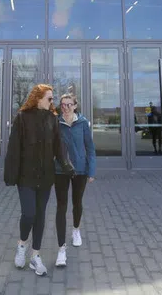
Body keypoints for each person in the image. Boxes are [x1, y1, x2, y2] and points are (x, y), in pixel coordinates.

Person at [4, 84, 74, 277]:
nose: (53, 102)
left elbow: (59, 147)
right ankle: (21, 244)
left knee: (40, 215)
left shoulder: (53, 120)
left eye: (53, 99)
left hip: (45, 177)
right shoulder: (22, 118)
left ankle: (35, 255)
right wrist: (10, 174)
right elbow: (13, 149)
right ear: (38, 98)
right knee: (29, 213)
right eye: (50, 98)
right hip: (25, 177)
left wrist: (67, 165)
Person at [53, 94, 96, 268]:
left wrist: (91, 171)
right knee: (61, 206)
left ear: (75, 105)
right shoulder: (56, 123)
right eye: (63, 105)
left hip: (80, 170)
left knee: (77, 202)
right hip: (60, 170)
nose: (66, 108)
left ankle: (76, 230)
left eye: (69, 105)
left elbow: (90, 149)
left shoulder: (83, 123)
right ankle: (61, 249)